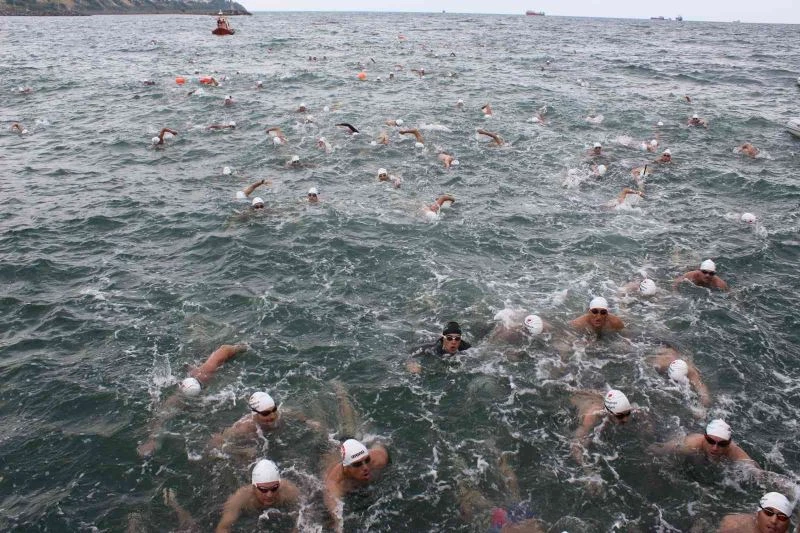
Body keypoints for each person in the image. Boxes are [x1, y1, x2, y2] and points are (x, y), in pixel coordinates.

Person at [137, 344, 248, 457]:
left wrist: (239, 348)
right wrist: (241, 348)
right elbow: (161, 419)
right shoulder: (184, 395)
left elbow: (161, 419)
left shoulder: (204, 374)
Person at [458, 453, 547, 533]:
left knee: (471, 502)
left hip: (496, 521)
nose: (535, 522)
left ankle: (458, 471)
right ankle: (499, 455)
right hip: (513, 518)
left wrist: (469, 516)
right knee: (512, 481)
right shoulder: (527, 517)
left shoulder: (495, 530)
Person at [209, 391, 325, 452]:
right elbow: (216, 443)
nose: (272, 415)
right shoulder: (244, 427)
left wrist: (308, 421)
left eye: (274, 410)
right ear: (255, 413)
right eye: (265, 413)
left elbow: (295, 413)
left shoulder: (279, 413)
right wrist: (241, 451)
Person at [322, 438, 390, 533]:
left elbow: (380, 442)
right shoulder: (335, 483)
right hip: (329, 455)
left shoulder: (379, 459)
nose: (365, 467)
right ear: (346, 468)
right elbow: (337, 518)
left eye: (367, 460)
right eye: (357, 464)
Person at [215, 459, 300, 533]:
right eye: (263, 489)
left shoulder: (289, 491)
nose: (269, 494)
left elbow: (304, 517)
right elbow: (223, 527)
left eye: (274, 488)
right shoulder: (240, 498)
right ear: (254, 487)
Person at [569, 389, 638, 465]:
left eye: (627, 413)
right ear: (610, 413)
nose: (625, 419)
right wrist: (587, 469)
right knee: (586, 441)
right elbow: (575, 445)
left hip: (595, 396)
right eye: (620, 416)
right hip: (576, 399)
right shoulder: (591, 417)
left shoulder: (623, 408)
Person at [649, 419, 757, 466]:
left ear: (728, 444)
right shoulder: (689, 445)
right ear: (704, 438)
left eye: (722, 444)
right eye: (711, 441)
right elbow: (655, 449)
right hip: (676, 432)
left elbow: (755, 471)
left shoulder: (733, 451)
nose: (715, 448)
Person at [407, 320, 471, 373]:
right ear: (444, 339)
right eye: (449, 338)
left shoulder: (466, 347)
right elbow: (410, 353)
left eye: (457, 338)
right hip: (429, 338)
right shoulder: (433, 347)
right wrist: (411, 363)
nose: (453, 342)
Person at [717, 492, 794, 533]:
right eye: (768, 512)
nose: (773, 521)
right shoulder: (734, 525)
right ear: (758, 513)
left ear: (788, 523)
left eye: (782, 517)